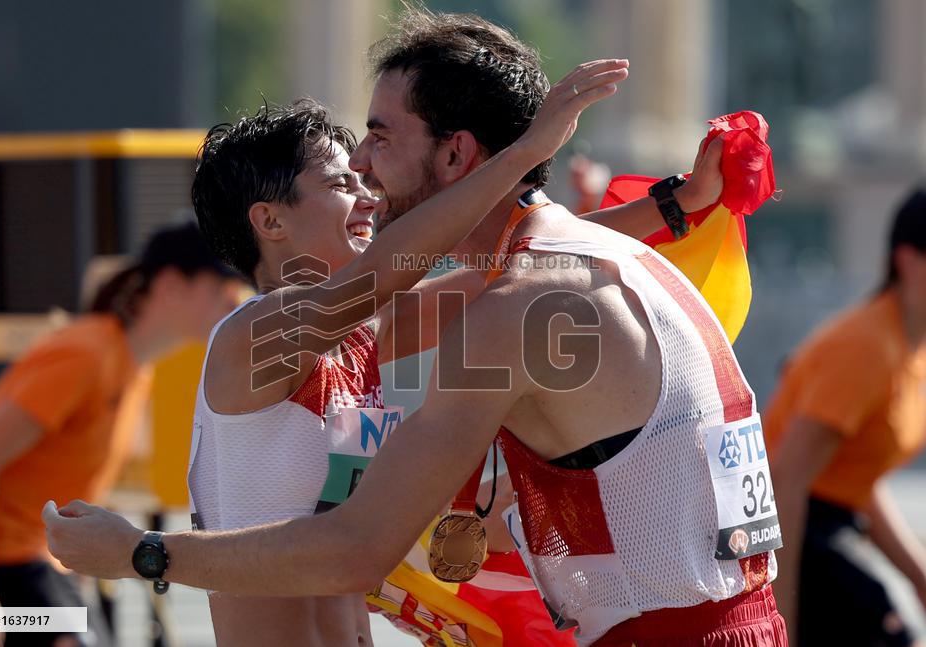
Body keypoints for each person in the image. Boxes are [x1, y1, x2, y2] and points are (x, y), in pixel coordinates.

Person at [44, 9, 787, 647]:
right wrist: (524, 153)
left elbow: (514, 264)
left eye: (371, 154)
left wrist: (673, 206)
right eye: (340, 182)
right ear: (269, 222)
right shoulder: (254, 335)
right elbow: (400, 270)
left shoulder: (367, 329)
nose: (365, 187)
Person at [0, 223, 242, 647]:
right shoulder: (84, 355)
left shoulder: (132, 365)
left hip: (32, 560)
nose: (234, 299)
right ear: (170, 284)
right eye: (222, 285)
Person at [764, 188, 926, 646]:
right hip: (786, 528)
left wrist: (918, 577)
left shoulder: (909, 346)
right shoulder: (868, 347)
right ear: (909, 260)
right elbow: (785, 482)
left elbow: (854, 478)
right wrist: (780, 624)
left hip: (828, 522)